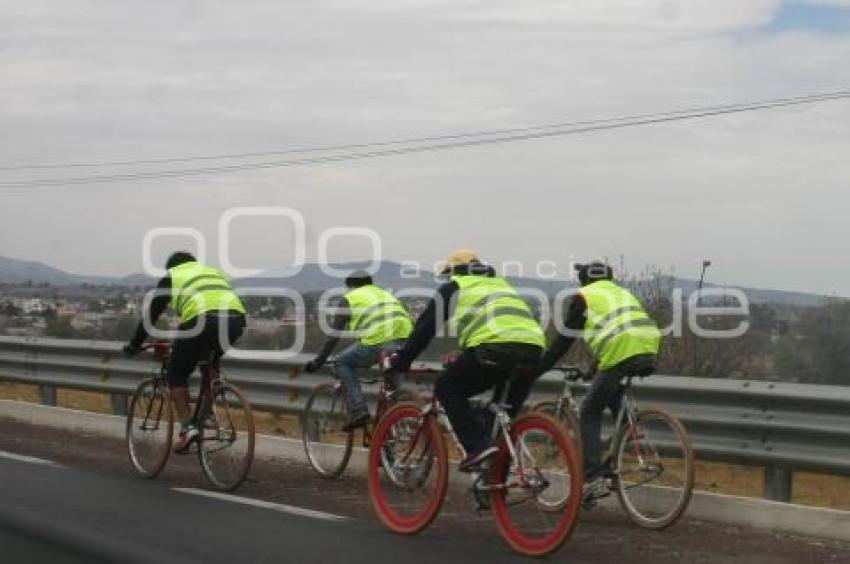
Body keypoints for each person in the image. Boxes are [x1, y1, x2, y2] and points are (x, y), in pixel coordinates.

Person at [387, 249, 545, 471]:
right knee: (498, 417)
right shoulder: (501, 285)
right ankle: (498, 473)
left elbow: (424, 329)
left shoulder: (455, 287)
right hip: (533, 350)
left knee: (447, 387)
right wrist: (465, 354)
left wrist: (402, 360)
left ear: (453, 271)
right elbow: (502, 326)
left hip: (495, 349)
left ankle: (476, 449)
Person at [538, 261, 661, 482]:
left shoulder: (584, 296)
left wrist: (540, 366)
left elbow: (564, 341)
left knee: (589, 411)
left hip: (620, 352)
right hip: (647, 347)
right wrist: (592, 369)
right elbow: (619, 331)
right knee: (612, 396)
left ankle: (592, 472)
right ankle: (620, 453)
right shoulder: (621, 293)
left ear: (584, 280)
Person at [123, 252, 246, 453]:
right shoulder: (212, 273)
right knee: (210, 363)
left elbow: (151, 316)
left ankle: (188, 428)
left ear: (171, 267)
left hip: (200, 321)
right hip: (235, 321)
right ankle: (207, 413)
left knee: (177, 373)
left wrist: (134, 345)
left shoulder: (172, 277)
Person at [305, 271, 413, 431]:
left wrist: (318, 362)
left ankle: (358, 410)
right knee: (392, 392)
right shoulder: (386, 294)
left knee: (343, 362)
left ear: (350, 286)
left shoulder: (350, 298)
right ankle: (394, 434)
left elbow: (333, 337)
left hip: (377, 342)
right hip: (405, 342)